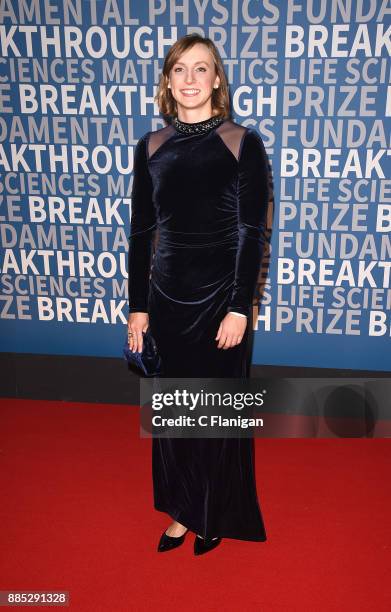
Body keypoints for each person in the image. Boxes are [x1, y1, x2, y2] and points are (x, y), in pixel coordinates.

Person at [127, 34, 270, 556]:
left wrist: (240, 306)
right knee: (171, 417)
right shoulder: (151, 147)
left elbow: (251, 233)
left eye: (201, 69)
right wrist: (137, 308)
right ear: (167, 81)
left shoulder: (241, 142)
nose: (190, 79)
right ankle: (182, 510)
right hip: (166, 301)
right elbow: (142, 231)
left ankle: (213, 513)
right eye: (180, 69)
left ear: (217, 80)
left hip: (218, 303)